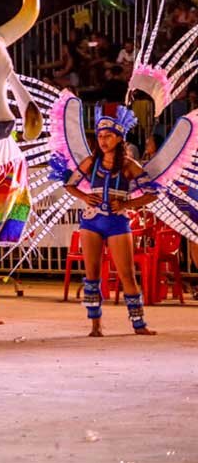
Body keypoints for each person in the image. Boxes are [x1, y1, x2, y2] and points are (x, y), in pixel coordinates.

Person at [61, 104, 158, 336]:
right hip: (91, 222)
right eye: (100, 136)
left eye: (108, 136)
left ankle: (139, 324)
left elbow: (151, 193)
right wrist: (85, 196)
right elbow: (69, 183)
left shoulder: (129, 165)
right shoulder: (91, 162)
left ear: (119, 138)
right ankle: (95, 326)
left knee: (126, 274)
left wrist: (126, 204)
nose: (103, 141)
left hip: (117, 222)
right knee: (92, 274)